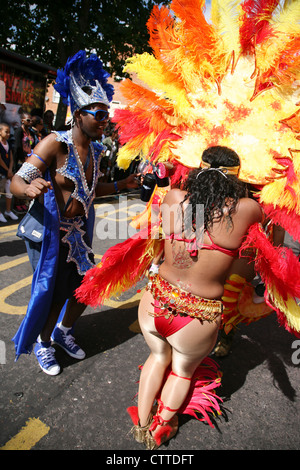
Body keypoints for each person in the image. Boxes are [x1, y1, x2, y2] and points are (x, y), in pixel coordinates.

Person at [10, 50, 139, 376]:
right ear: (78, 114)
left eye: (105, 115)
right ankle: (44, 344)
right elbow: (15, 181)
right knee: (53, 294)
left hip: (80, 233)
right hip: (53, 233)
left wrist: (123, 183)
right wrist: (28, 189)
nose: (103, 120)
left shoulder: (96, 150)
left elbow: (92, 191)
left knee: (87, 288)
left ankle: (63, 332)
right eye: (97, 113)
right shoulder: (55, 144)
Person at [127, 146, 263, 449]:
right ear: (237, 179)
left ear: (198, 171)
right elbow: (267, 231)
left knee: (157, 357)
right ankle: (161, 427)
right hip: (196, 318)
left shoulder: (174, 197)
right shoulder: (247, 210)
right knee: (181, 372)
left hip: (154, 303)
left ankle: (141, 424)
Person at [13, 112, 34, 213]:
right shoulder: (18, 131)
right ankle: (17, 203)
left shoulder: (30, 132)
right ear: (22, 120)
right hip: (21, 161)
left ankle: (22, 203)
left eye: (31, 120)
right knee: (19, 180)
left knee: (26, 181)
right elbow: (17, 147)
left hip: (29, 160)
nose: (30, 122)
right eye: (28, 120)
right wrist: (21, 158)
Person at [0, 122, 18, 222]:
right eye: (6, 132)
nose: (8, 134)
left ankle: (8, 210)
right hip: (2, 172)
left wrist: (10, 170)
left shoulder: (8, 144)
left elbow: (11, 158)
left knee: (8, 192)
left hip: (8, 173)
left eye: (9, 132)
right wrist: (7, 170)